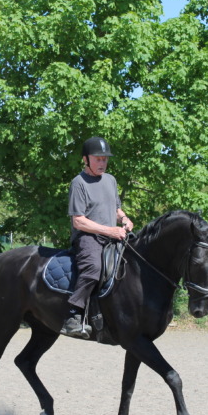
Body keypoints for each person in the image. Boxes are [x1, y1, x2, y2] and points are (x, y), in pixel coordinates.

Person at [63, 136, 134, 338]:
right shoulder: (79, 183)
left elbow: (116, 207)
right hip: (88, 238)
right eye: (98, 159)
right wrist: (109, 230)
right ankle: (73, 316)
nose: (102, 163)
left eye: (105, 159)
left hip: (112, 235)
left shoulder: (110, 180)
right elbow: (78, 221)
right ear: (86, 159)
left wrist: (124, 219)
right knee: (94, 269)